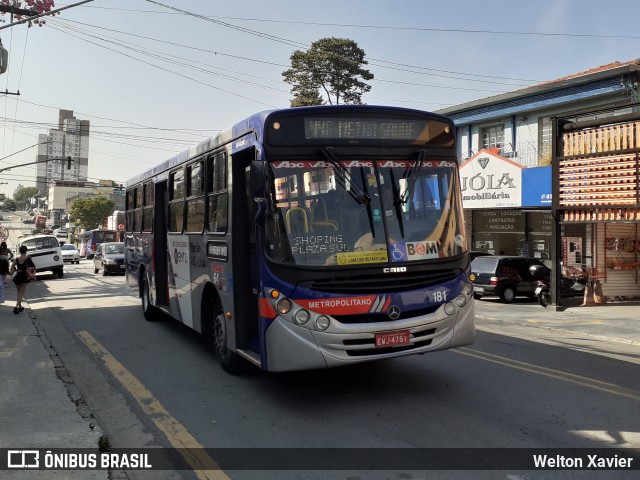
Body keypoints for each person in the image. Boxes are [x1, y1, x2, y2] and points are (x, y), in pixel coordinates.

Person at [9, 245, 35, 314]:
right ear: (26, 251)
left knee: (19, 293)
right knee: (21, 293)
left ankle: (20, 307)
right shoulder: (28, 258)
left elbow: (12, 268)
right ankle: (16, 307)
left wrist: (16, 269)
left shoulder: (16, 259)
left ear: (19, 251)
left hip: (18, 276)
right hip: (25, 277)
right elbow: (32, 268)